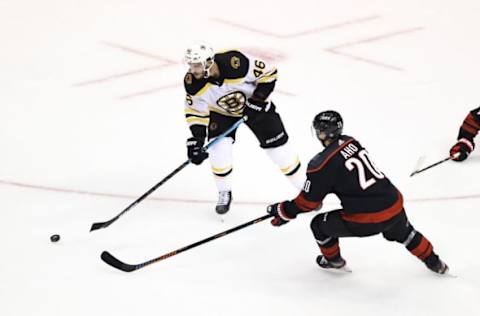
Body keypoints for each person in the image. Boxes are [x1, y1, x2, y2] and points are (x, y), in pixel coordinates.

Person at [267, 110, 449, 274]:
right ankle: (436, 263)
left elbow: (308, 202)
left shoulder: (320, 165)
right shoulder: (350, 141)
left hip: (367, 217)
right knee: (407, 234)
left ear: (321, 132)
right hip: (392, 202)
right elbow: (346, 176)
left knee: (319, 226)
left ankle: (334, 261)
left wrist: (285, 211)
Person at [183, 43, 305, 214]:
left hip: (255, 108)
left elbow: (269, 73)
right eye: (190, 65)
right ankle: (224, 192)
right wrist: (197, 139)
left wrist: (258, 100)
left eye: (196, 65)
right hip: (222, 114)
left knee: (280, 153)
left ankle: (306, 192)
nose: (192, 70)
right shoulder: (192, 83)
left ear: (209, 62)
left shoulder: (235, 63)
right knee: (218, 151)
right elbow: (194, 111)